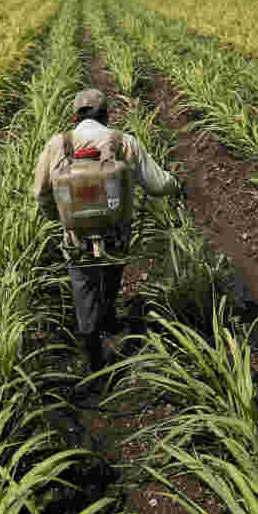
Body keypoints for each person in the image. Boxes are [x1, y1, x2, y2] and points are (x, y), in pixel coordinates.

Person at [33, 89, 182, 380]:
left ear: (75, 117)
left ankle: (93, 353)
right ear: (106, 115)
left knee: (83, 284)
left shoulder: (57, 144)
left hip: (76, 234)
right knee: (113, 270)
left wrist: (59, 217)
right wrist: (177, 185)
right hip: (115, 232)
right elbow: (157, 184)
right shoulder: (122, 141)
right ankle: (109, 314)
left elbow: (40, 192)